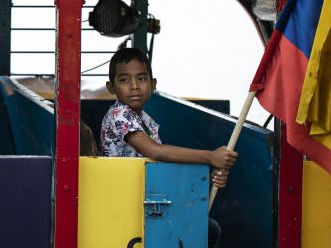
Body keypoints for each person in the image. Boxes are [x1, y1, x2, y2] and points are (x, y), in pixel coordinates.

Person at [100, 47, 236, 189]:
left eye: (141, 79)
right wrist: (211, 157)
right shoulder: (119, 114)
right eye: (124, 80)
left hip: (141, 190)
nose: (134, 86)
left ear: (152, 84)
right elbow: (156, 152)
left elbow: (158, 163)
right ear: (111, 87)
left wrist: (208, 178)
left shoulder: (145, 119)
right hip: (121, 192)